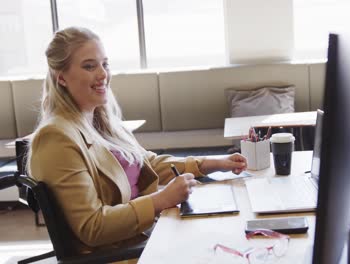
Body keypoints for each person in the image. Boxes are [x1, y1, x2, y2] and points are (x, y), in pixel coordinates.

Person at [27, 26, 247, 254]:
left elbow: (146, 163)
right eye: (89, 66)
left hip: (142, 238)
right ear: (61, 77)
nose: (103, 74)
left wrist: (212, 163)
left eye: (105, 64)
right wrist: (160, 200)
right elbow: (92, 227)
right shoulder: (56, 137)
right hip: (120, 253)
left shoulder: (97, 118)